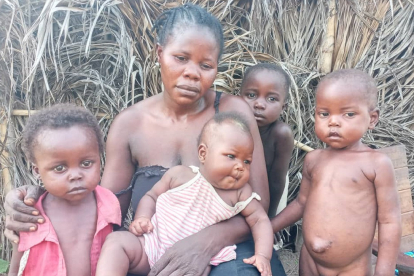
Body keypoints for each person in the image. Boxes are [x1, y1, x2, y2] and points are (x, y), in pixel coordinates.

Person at [4, 3, 287, 276]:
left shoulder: (232, 114)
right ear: (159, 53)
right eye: (180, 58)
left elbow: (257, 205)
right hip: (155, 251)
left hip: (229, 250)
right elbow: (105, 209)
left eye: (206, 65)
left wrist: (205, 242)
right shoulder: (130, 124)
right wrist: (36, 196)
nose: (192, 72)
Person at [96, 112, 273, 276]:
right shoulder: (180, 175)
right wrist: (143, 217)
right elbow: (151, 196)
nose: (240, 166)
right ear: (203, 154)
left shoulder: (240, 193)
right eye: (231, 156)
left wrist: (263, 255)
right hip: (151, 244)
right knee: (116, 242)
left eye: (247, 161)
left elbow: (260, 220)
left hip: (193, 262)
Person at [271, 69, 402, 275]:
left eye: (348, 114)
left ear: (372, 118)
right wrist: (269, 227)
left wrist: (384, 270)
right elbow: (301, 203)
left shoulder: (376, 164)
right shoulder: (314, 159)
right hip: (310, 262)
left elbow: (390, 221)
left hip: (351, 268)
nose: (333, 122)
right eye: (324, 114)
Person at [7, 104, 121, 276]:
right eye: (60, 168)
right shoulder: (30, 214)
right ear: (37, 171)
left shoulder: (109, 203)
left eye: (86, 163)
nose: (75, 175)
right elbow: (18, 265)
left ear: (99, 159)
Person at [240, 63, 294, 218]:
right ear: (238, 97)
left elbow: (277, 181)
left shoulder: (281, 134)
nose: (259, 104)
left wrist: (270, 217)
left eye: (271, 98)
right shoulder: (231, 127)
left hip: (273, 193)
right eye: (251, 95)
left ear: (283, 107)